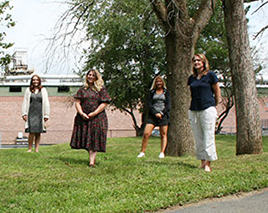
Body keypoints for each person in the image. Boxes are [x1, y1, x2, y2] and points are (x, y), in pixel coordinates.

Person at [188, 53, 221, 172]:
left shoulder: (210, 75)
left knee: (208, 136)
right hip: (194, 110)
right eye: (194, 61)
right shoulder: (192, 78)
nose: (196, 62)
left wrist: (214, 104)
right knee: (199, 137)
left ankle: (208, 163)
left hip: (207, 108)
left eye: (198, 60)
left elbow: (217, 92)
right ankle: (202, 161)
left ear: (203, 62)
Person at [70, 69, 111, 167]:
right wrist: (81, 113)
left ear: (96, 77)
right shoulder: (82, 89)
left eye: (93, 75)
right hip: (83, 118)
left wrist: (94, 113)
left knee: (94, 138)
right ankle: (90, 159)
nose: (90, 77)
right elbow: (77, 102)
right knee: (87, 139)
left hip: (98, 118)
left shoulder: (101, 89)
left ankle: (91, 162)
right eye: (89, 75)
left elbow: (104, 103)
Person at [137, 76, 171, 158]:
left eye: (160, 81)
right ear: (155, 83)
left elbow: (168, 105)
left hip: (163, 116)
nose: (159, 83)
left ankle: (162, 152)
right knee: (146, 133)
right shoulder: (152, 92)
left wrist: (161, 113)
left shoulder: (166, 92)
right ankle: (142, 152)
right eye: (157, 82)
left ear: (162, 83)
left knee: (163, 134)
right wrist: (155, 113)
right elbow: (149, 104)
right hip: (153, 116)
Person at [22, 74, 50, 153]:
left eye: (37, 80)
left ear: (39, 81)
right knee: (31, 132)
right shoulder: (28, 90)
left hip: (40, 113)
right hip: (31, 112)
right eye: (34, 80)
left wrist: (46, 114)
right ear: (32, 81)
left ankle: (37, 148)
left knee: (38, 132)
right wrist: (24, 113)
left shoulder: (43, 90)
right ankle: (30, 148)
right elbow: (25, 102)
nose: (35, 81)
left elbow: (46, 103)